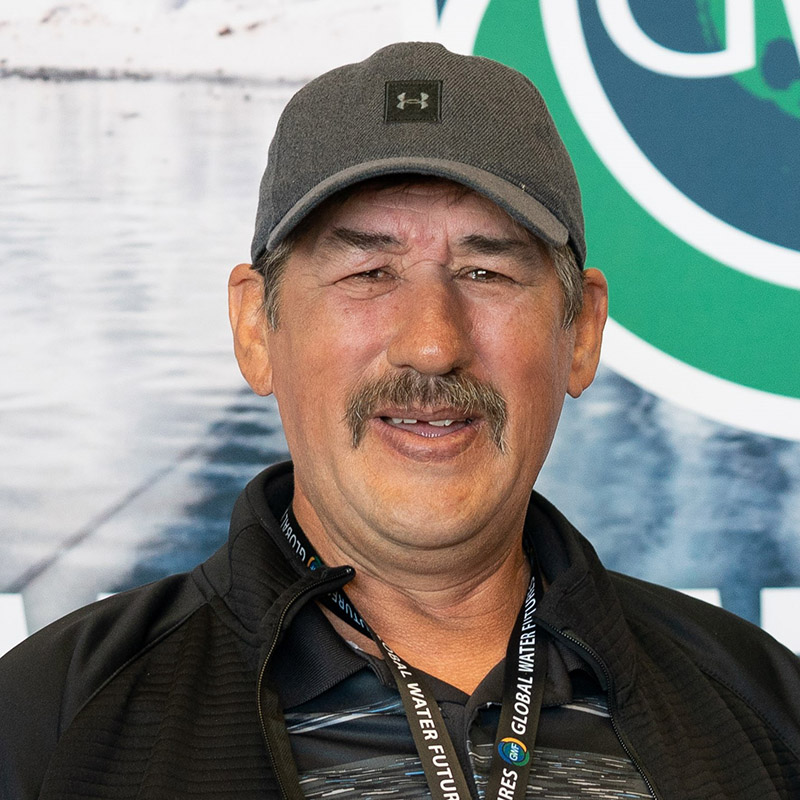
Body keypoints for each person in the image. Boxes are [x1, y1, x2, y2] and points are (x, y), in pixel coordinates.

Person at [1, 41, 799, 800]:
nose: (431, 343)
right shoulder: (51, 724)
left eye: (486, 271)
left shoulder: (764, 708)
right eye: (368, 271)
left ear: (581, 333)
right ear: (256, 329)